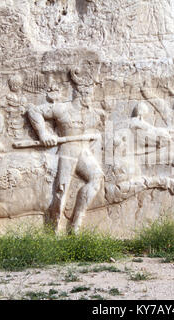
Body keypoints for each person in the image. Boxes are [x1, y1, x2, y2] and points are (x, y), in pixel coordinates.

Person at [27, 80, 103, 234]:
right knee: (62, 189)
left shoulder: (91, 113)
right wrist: (43, 133)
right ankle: (54, 229)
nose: (91, 98)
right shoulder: (62, 108)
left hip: (83, 150)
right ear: (81, 95)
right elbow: (34, 111)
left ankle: (76, 223)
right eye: (89, 95)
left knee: (96, 176)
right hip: (67, 151)